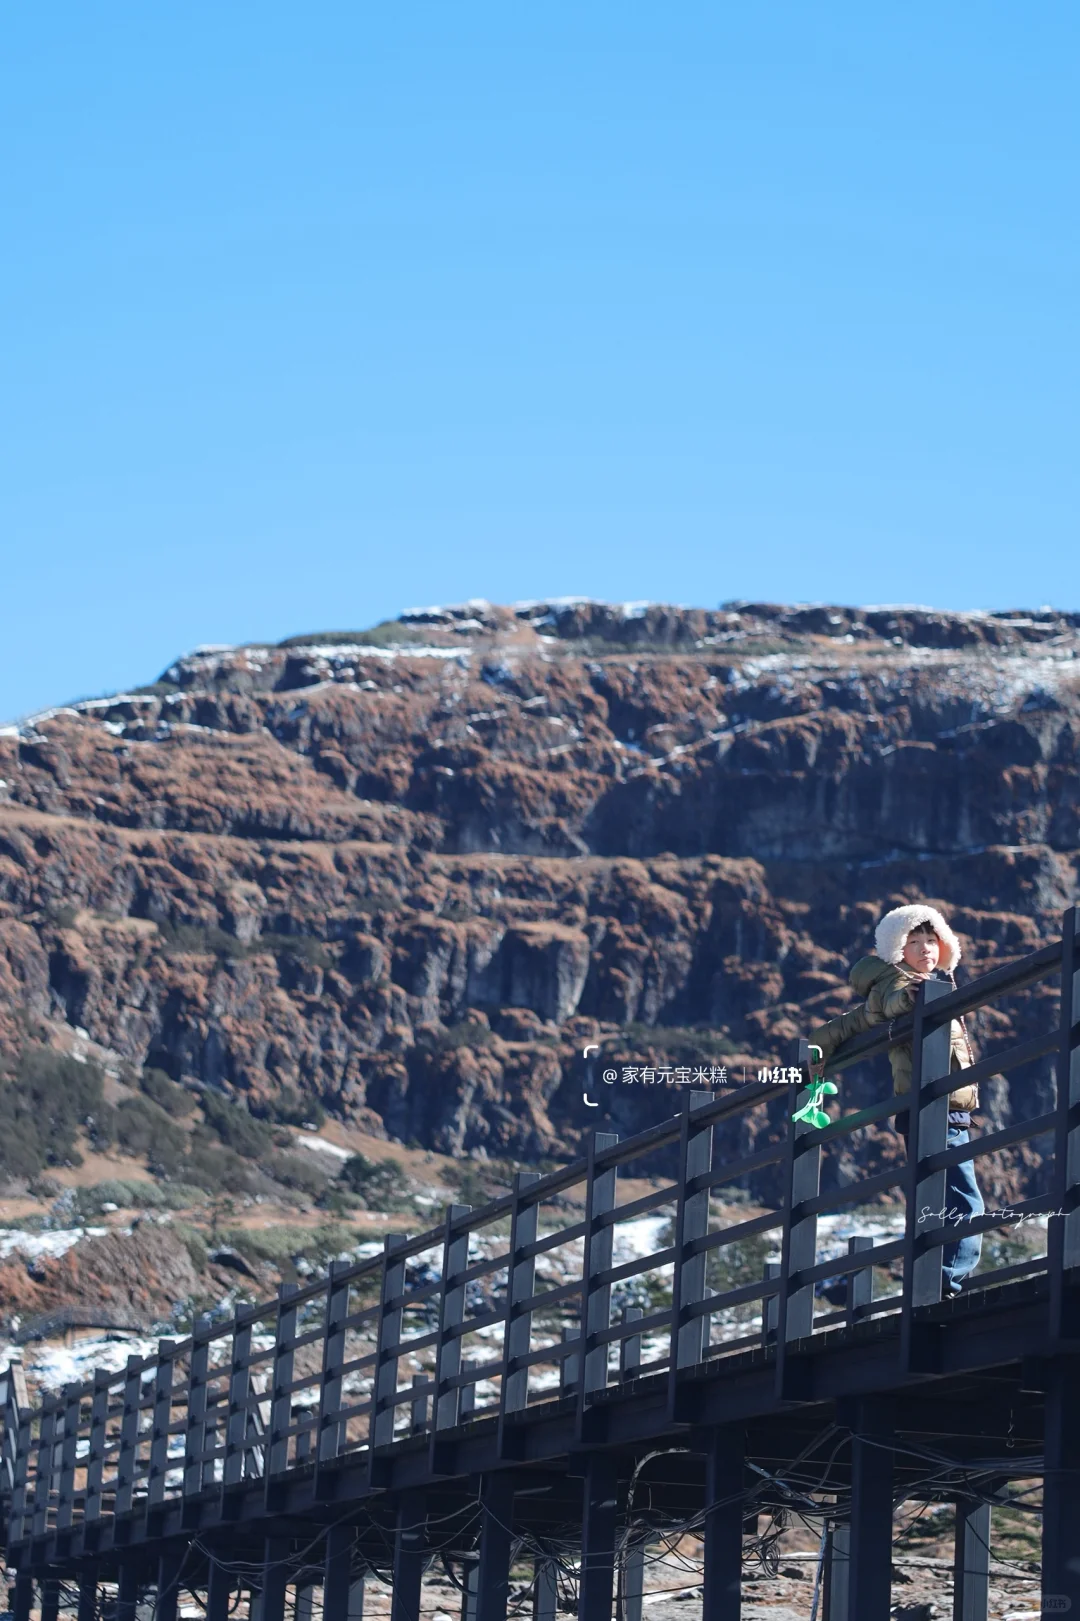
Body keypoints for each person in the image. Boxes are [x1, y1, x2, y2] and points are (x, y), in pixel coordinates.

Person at [809, 903, 983, 1296]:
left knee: (937, 1201)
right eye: (914, 942)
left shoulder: (914, 982)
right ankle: (946, 1287)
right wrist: (912, 999)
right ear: (896, 950)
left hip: (936, 1110)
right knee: (966, 1203)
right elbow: (894, 1002)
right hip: (936, 1110)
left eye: (931, 941)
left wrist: (816, 1049)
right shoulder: (901, 983)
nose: (926, 950)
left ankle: (931, 1286)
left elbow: (848, 1024)